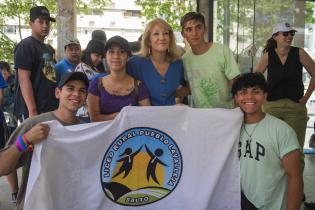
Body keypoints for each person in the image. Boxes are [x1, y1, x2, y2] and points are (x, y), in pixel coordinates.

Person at [0, 71, 89, 210]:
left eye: (82, 90)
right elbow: (2, 167)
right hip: (36, 204)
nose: (76, 94)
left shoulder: (86, 131)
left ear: (86, 97)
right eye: (70, 88)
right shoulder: (34, 124)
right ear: (57, 93)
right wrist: (26, 139)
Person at [232, 72, 303, 210]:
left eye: (256, 92)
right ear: (236, 98)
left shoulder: (281, 130)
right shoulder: (230, 129)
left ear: (265, 96)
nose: (249, 97)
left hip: (272, 205)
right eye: (243, 92)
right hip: (239, 202)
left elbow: (295, 177)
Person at [255, 22, 315, 169]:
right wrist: (262, 97)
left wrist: (306, 98)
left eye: (291, 34)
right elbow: (256, 78)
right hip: (272, 107)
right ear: (275, 36)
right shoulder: (268, 56)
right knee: (271, 149)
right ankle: (276, 188)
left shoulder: (299, 52)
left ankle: (297, 190)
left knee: (296, 151)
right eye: (285, 34)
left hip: (295, 107)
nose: (289, 37)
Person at [180, 12, 240, 108]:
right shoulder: (184, 60)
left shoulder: (222, 51)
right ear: (183, 34)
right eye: (189, 29)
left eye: (198, 28)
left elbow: (237, 84)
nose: (194, 33)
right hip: (201, 116)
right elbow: (191, 88)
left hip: (227, 112)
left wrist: (237, 112)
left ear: (205, 29)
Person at [127, 18, 189, 106]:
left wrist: (177, 101)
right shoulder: (134, 64)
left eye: (166, 33)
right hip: (143, 118)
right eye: (156, 34)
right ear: (148, 40)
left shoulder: (178, 63)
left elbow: (190, 86)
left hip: (171, 117)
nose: (162, 38)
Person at [88, 36, 150, 122]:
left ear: (128, 56)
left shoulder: (139, 86)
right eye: (111, 51)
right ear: (105, 56)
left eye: (121, 52)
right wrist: (120, 115)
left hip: (131, 135)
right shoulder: (96, 84)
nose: (116, 56)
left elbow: (147, 117)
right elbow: (94, 118)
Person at [13, 6, 58, 120]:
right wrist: (32, 111)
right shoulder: (25, 46)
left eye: (47, 22)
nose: (45, 25)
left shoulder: (48, 48)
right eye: (41, 21)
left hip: (49, 107)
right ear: (31, 23)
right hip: (32, 111)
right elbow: (23, 79)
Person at [0, 61, 19, 203]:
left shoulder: (13, 80)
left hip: (10, 119)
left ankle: (15, 192)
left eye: (4, 71)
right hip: (6, 120)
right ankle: (15, 193)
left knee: (7, 151)